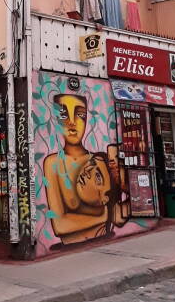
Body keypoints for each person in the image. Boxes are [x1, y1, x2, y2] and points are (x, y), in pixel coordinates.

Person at [43, 92, 129, 244]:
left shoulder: (98, 162)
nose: (72, 122)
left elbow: (118, 216)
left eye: (80, 115)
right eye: (63, 115)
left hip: (102, 241)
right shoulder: (53, 163)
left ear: (86, 119)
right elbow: (60, 225)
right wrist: (103, 216)